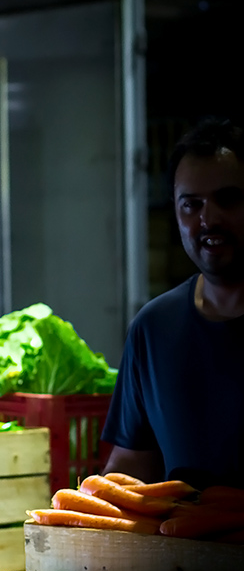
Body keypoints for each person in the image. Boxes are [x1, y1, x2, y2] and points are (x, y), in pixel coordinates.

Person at [101, 116, 244, 489]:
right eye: (191, 205)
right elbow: (133, 464)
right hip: (181, 546)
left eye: (227, 199)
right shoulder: (154, 328)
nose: (207, 219)